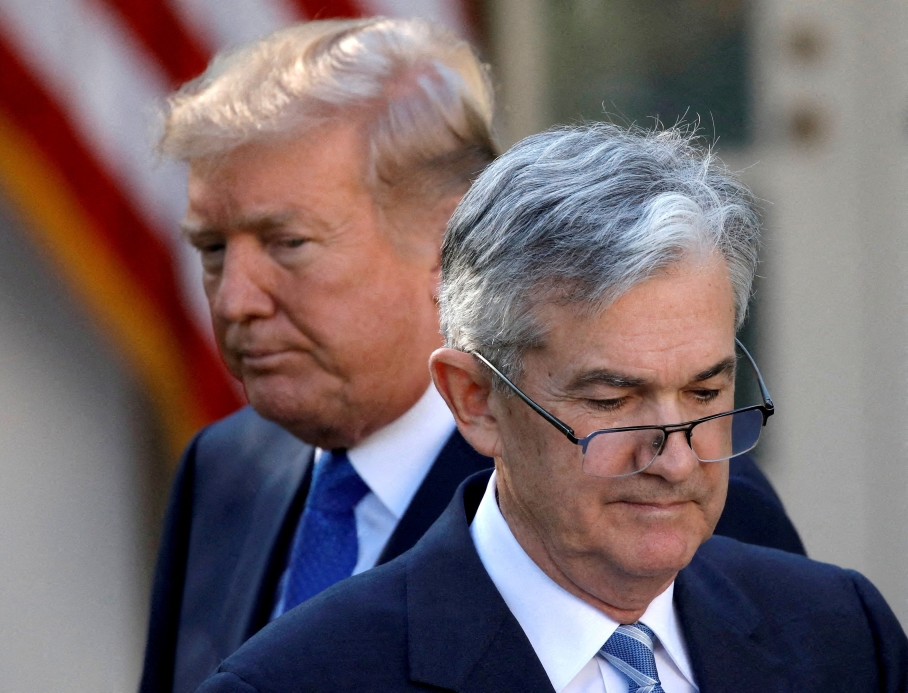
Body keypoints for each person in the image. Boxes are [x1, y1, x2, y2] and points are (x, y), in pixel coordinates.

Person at [141, 19, 803, 693]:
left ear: (449, 239)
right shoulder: (225, 469)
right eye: (213, 250)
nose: (234, 301)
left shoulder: (664, 487)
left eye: (287, 242)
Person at [196, 123, 907, 693]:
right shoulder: (298, 678)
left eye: (704, 392)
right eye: (612, 399)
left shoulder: (842, 634)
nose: (677, 458)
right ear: (475, 401)